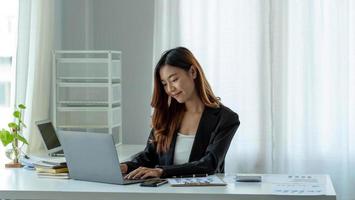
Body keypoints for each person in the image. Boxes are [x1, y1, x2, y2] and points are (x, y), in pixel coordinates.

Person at [121, 47, 240, 179]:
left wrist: (162, 171)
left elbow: (210, 164)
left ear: (193, 72)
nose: (170, 89)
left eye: (174, 79)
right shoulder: (166, 115)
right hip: (165, 192)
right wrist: (125, 166)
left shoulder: (226, 118)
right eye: (165, 84)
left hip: (204, 193)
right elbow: (149, 157)